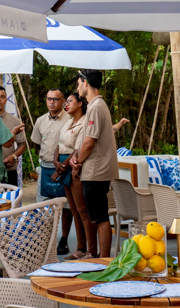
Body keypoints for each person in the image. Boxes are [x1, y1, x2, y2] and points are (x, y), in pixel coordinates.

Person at [70, 69, 117, 257]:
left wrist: (78, 163)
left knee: (100, 217)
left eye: (78, 84)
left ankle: (104, 260)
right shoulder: (95, 106)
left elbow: (90, 142)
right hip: (95, 170)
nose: (77, 88)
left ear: (85, 82)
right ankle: (101, 258)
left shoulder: (96, 107)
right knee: (97, 216)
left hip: (96, 171)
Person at [31, 88, 70, 254]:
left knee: (66, 206)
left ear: (63, 101)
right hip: (46, 167)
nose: (52, 102)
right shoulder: (40, 121)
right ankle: (45, 239)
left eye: (55, 99)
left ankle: (64, 239)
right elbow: (37, 143)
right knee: (43, 205)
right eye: (49, 99)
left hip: (64, 167)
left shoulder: (70, 119)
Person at [59, 91, 96, 259]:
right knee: (74, 210)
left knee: (83, 211)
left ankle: (91, 251)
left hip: (75, 167)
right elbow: (60, 144)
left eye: (70, 101)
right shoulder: (68, 121)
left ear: (80, 103)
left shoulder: (85, 122)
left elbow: (78, 149)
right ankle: (80, 248)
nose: (66, 104)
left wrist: (65, 165)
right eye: (66, 102)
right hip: (64, 167)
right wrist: (57, 163)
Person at [0, 85, 26, 186]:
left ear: (6, 100)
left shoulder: (15, 120)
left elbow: (22, 144)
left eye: (2, 97)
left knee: (10, 196)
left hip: (9, 170)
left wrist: (13, 156)